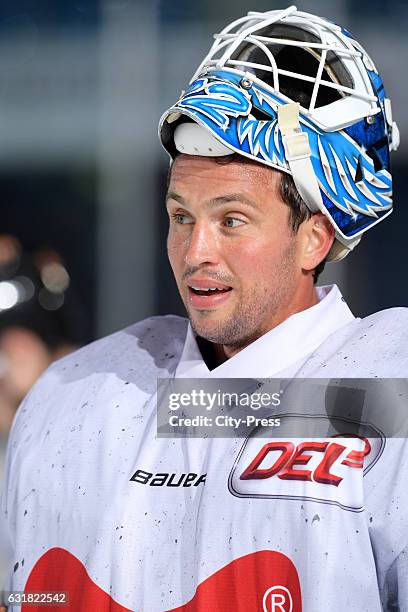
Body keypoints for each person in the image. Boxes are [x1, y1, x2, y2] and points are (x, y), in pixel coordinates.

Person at [1, 7, 407, 612]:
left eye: (231, 220)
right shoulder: (75, 396)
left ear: (315, 238)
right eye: (181, 216)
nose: (196, 253)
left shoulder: (387, 389)